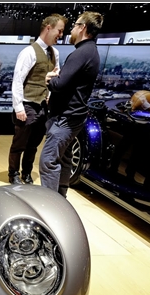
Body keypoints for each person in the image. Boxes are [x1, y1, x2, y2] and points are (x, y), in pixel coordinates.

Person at [39, 11, 103, 198]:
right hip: (75, 117)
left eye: (75, 25)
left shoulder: (81, 53)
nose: (71, 30)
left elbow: (59, 84)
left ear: (83, 28)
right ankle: (61, 198)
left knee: (48, 161)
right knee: (65, 158)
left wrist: (49, 79)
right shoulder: (91, 51)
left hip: (65, 118)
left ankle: (50, 204)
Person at [7, 14, 65, 185]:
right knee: (19, 143)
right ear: (48, 28)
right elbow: (18, 80)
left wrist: (50, 96)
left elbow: (55, 77)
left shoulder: (55, 53)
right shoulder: (29, 52)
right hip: (27, 104)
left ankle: (26, 173)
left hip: (43, 106)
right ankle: (13, 174)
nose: (61, 35)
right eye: (59, 31)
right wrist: (18, 107)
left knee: (34, 144)